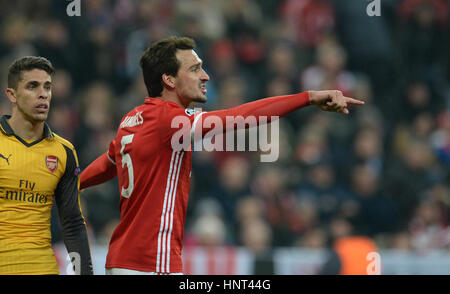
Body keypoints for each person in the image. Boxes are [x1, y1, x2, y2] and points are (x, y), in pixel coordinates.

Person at [80, 36, 364, 275]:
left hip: (123, 259)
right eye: (194, 69)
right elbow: (239, 117)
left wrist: (73, 184)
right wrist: (308, 98)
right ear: (168, 79)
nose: (205, 76)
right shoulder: (171, 121)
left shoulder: (134, 118)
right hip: (152, 261)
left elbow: (109, 162)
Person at [0, 56, 93, 275]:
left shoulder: (64, 152)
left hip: (43, 268)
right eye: (32, 86)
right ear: (11, 95)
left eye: (47, 87)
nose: (43, 94)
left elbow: (72, 224)